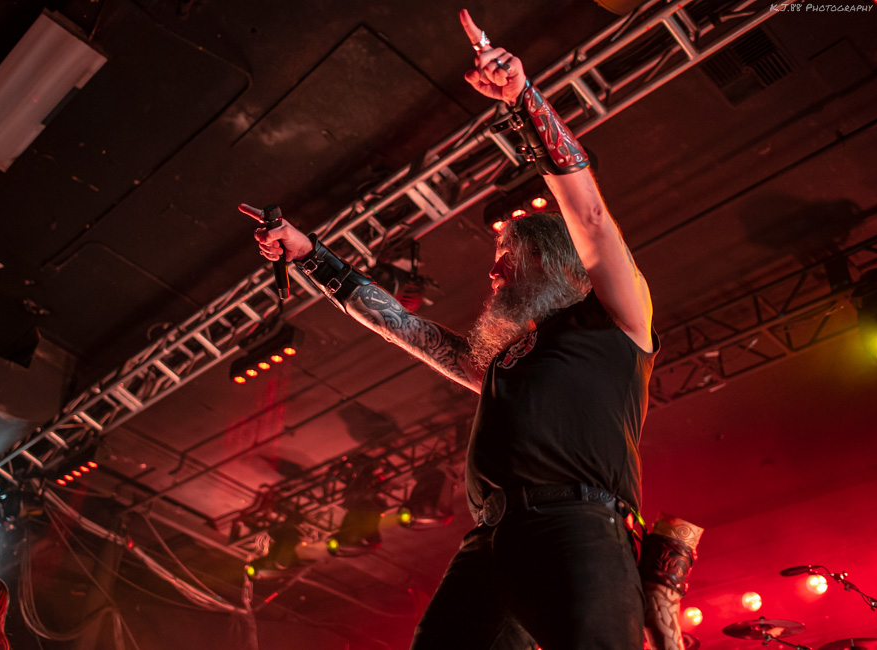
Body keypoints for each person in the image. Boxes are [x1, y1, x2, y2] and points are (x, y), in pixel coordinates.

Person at [243, 9, 660, 649]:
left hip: (578, 523)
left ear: (554, 262)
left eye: (507, 262)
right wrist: (307, 255)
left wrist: (522, 100)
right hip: (492, 539)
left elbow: (593, 218)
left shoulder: (617, 317)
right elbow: (403, 329)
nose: (493, 276)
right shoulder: (501, 360)